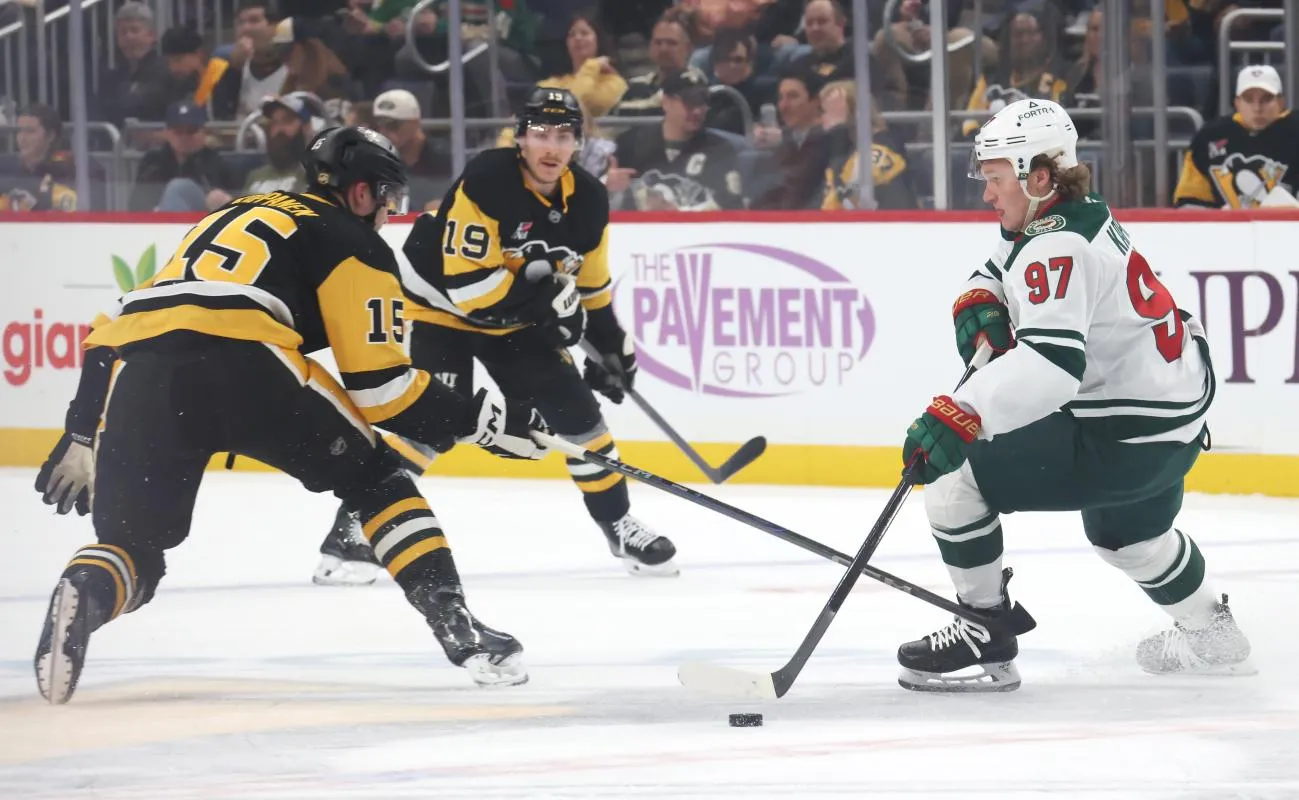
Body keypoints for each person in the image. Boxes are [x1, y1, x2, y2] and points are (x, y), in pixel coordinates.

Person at [32, 126, 552, 704]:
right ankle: (462, 629)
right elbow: (383, 390)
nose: (388, 213)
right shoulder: (352, 238)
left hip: (142, 374)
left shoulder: (232, 212)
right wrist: (482, 421)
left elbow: (108, 331)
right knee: (377, 479)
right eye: (386, 197)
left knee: (133, 548)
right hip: (244, 363)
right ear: (361, 193)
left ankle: (84, 587)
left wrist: (82, 428)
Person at [895, 99, 1253, 694]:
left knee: (957, 484)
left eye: (995, 178)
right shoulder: (1073, 214)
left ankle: (984, 633)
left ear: (1038, 175)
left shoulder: (1054, 245)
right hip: (1171, 427)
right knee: (1130, 537)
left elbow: (1052, 367)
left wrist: (964, 412)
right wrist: (978, 295)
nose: (986, 193)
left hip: (1122, 435)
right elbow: (1001, 263)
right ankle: (1215, 636)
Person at [313, 88, 678, 586]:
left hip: (513, 320)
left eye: (564, 136)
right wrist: (548, 310)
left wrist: (612, 347)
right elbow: (469, 289)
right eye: (540, 134)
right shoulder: (489, 178)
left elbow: (590, 284)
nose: (551, 147)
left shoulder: (589, 199)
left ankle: (617, 523)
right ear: (521, 137)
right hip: (440, 307)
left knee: (578, 414)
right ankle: (354, 527)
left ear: (577, 142)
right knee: (432, 425)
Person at [1174, 64, 1299, 209]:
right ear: (1237, 103)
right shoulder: (1209, 136)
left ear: (1280, 102)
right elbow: (1189, 201)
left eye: (1266, 99)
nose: (1257, 108)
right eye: (1248, 99)